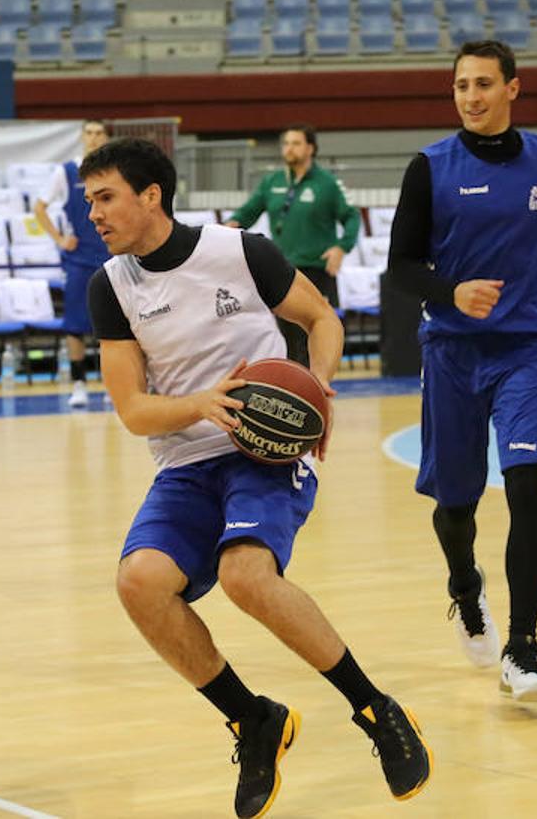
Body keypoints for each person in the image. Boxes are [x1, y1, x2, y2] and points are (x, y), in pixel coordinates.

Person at [85, 138, 431, 818]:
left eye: (105, 197)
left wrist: (321, 388)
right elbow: (132, 410)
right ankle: (253, 720)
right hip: (185, 463)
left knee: (246, 576)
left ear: (150, 195)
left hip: (264, 452)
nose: (93, 213)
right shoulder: (110, 285)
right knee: (140, 583)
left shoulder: (240, 250)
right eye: (90, 199)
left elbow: (320, 319)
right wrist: (200, 403)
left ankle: (377, 710)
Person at [387, 40, 537, 702]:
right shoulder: (429, 168)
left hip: (526, 346)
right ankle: (465, 586)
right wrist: (449, 293)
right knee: (455, 504)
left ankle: (523, 646)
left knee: (526, 478)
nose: (471, 97)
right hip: (453, 352)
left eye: (484, 84)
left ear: (513, 88)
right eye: (461, 85)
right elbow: (400, 266)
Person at [227, 124, 361, 367]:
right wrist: (228, 227)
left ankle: (318, 393)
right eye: (286, 143)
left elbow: (352, 217)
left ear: (310, 148)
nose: (289, 149)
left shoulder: (327, 183)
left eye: (296, 143)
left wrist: (342, 247)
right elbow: (247, 213)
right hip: (282, 273)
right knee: (287, 340)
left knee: (314, 337)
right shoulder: (272, 182)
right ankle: (296, 396)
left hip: (315, 272)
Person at [33, 118, 112, 408]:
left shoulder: (115, 171)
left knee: (112, 328)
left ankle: (111, 385)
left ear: (106, 137)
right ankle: (79, 384)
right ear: (82, 137)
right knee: (75, 326)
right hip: (78, 260)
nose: (93, 138)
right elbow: (39, 207)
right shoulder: (66, 172)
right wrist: (58, 238)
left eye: (98, 133)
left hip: (111, 257)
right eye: (89, 133)